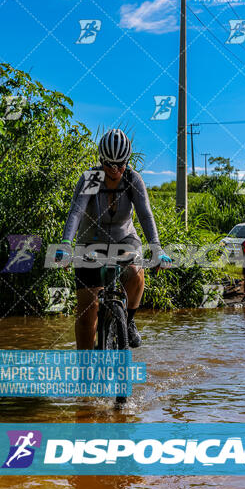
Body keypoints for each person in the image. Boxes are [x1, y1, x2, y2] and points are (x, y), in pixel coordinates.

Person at [57, 129, 171, 349]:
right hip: (90, 240)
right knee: (87, 309)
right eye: (110, 164)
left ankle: (127, 321)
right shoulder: (92, 178)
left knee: (137, 272)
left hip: (124, 237)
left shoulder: (131, 178)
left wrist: (156, 247)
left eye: (122, 164)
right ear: (101, 161)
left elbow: (145, 214)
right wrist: (65, 245)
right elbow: (76, 212)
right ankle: (85, 368)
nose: (116, 170)